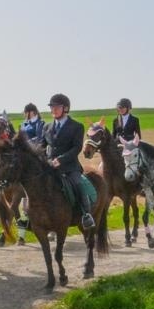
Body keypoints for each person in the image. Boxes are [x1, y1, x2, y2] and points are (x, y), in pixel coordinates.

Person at [43, 93, 97, 232]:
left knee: (78, 184)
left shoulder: (76, 126)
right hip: (50, 167)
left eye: (57, 107)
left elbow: (76, 148)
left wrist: (60, 160)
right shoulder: (47, 127)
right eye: (52, 107)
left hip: (69, 166)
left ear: (65, 108)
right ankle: (29, 216)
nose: (53, 109)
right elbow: (41, 146)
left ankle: (86, 215)